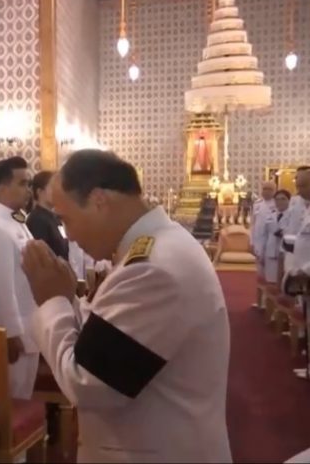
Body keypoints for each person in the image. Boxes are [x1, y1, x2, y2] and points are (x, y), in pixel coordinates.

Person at [21, 149, 231, 462]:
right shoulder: (158, 246)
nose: (72, 237)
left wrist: (52, 302)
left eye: (66, 219)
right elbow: (110, 339)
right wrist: (70, 302)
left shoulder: (153, 267)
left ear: (98, 201)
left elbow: (89, 384)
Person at [0, 156, 39, 399]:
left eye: (29, 183)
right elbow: (0, 287)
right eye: (23, 183)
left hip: (29, 323)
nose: (29, 190)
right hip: (13, 331)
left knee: (24, 394)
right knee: (12, 399)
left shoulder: (16, 220)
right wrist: (11, 333)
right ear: (2, 188)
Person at [283, 168, 310, 380]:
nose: (299, 190)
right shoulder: (308, 209)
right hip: (305, 277)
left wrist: (305, 270)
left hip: (308, 273)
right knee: (309, 319)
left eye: (303, 185)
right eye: (298, 185)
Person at [26, 170, 70, 261]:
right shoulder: (37, 219)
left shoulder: (53, 217)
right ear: (40, 192)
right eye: (52, 188)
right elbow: (41, 256)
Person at [255, 190, 292, 284]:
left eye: (283, 199)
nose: (280, 202)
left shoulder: (293, 215)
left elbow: (289, 232)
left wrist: (280, 231)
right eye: (277, 199)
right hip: (270, 252)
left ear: (289, 200)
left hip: (286, 253)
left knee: (283, 283)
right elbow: (264, 235)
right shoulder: (270, 215)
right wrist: (261, 252)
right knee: (269, 281)